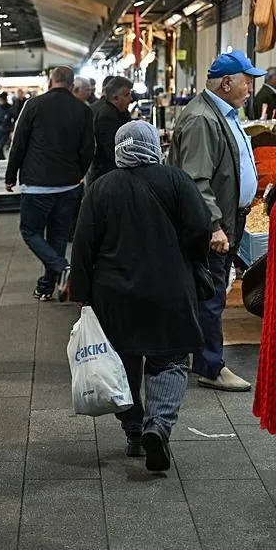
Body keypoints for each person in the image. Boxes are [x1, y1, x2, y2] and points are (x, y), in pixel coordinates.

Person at [71, 121, 212, 472]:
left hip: (114, 295)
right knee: (170, 359)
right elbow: (199, 229)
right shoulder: (176, 180)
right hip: (169, 289)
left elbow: (83, 246)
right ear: (153, 145)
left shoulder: (101, 188)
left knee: (123, 364)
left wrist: (81, 294)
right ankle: (158, 426)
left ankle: (134, 430)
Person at [169, 50, 265, 392]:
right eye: (246, 81)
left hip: (229, 218)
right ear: (227, 83)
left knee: (212, 291)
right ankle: (210, 366)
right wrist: (214, 226)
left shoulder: (222, 114)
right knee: (211, 294)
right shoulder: (202, 119)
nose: (250, 89)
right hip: (214, 225)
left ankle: (200, 357)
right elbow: (196, 179)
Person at [6, 66, 94, 302]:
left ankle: (62, 268)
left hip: (38, 185)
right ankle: (46, 286)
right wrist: (79, 173)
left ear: (50, 81)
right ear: (72, 85)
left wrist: (10, 176)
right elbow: (88, 148)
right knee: (57, 236)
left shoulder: (34, 105)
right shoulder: (82, 110)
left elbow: (19, 143)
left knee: (30, 231)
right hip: (69, 185)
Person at [88, 77, 133, 184]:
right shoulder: (107, 117)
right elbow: (113, 150)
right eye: (126, 95)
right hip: (108, 177)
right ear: (115, 98)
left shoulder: (120, 112)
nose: (130, 99)